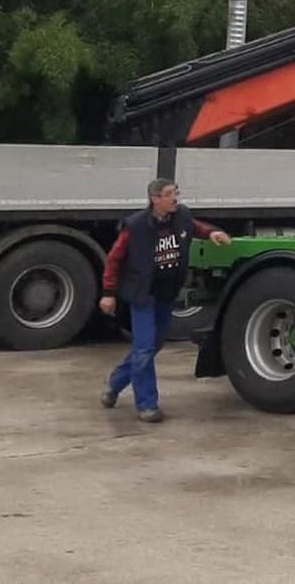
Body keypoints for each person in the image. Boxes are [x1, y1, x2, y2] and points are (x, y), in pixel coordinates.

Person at [99, 179, 230, 422]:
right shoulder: (136, 226)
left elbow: (194, 227)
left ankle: (115, 383)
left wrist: (212, 232)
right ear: (155, 198)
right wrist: (108, 293)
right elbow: (113, 259)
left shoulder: (181, 216)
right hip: (143, 294)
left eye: (176, 193)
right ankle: (147, 405)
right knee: (144, 347)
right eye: (169, 194)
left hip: (166, 293)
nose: (175, 198)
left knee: (153, 346)